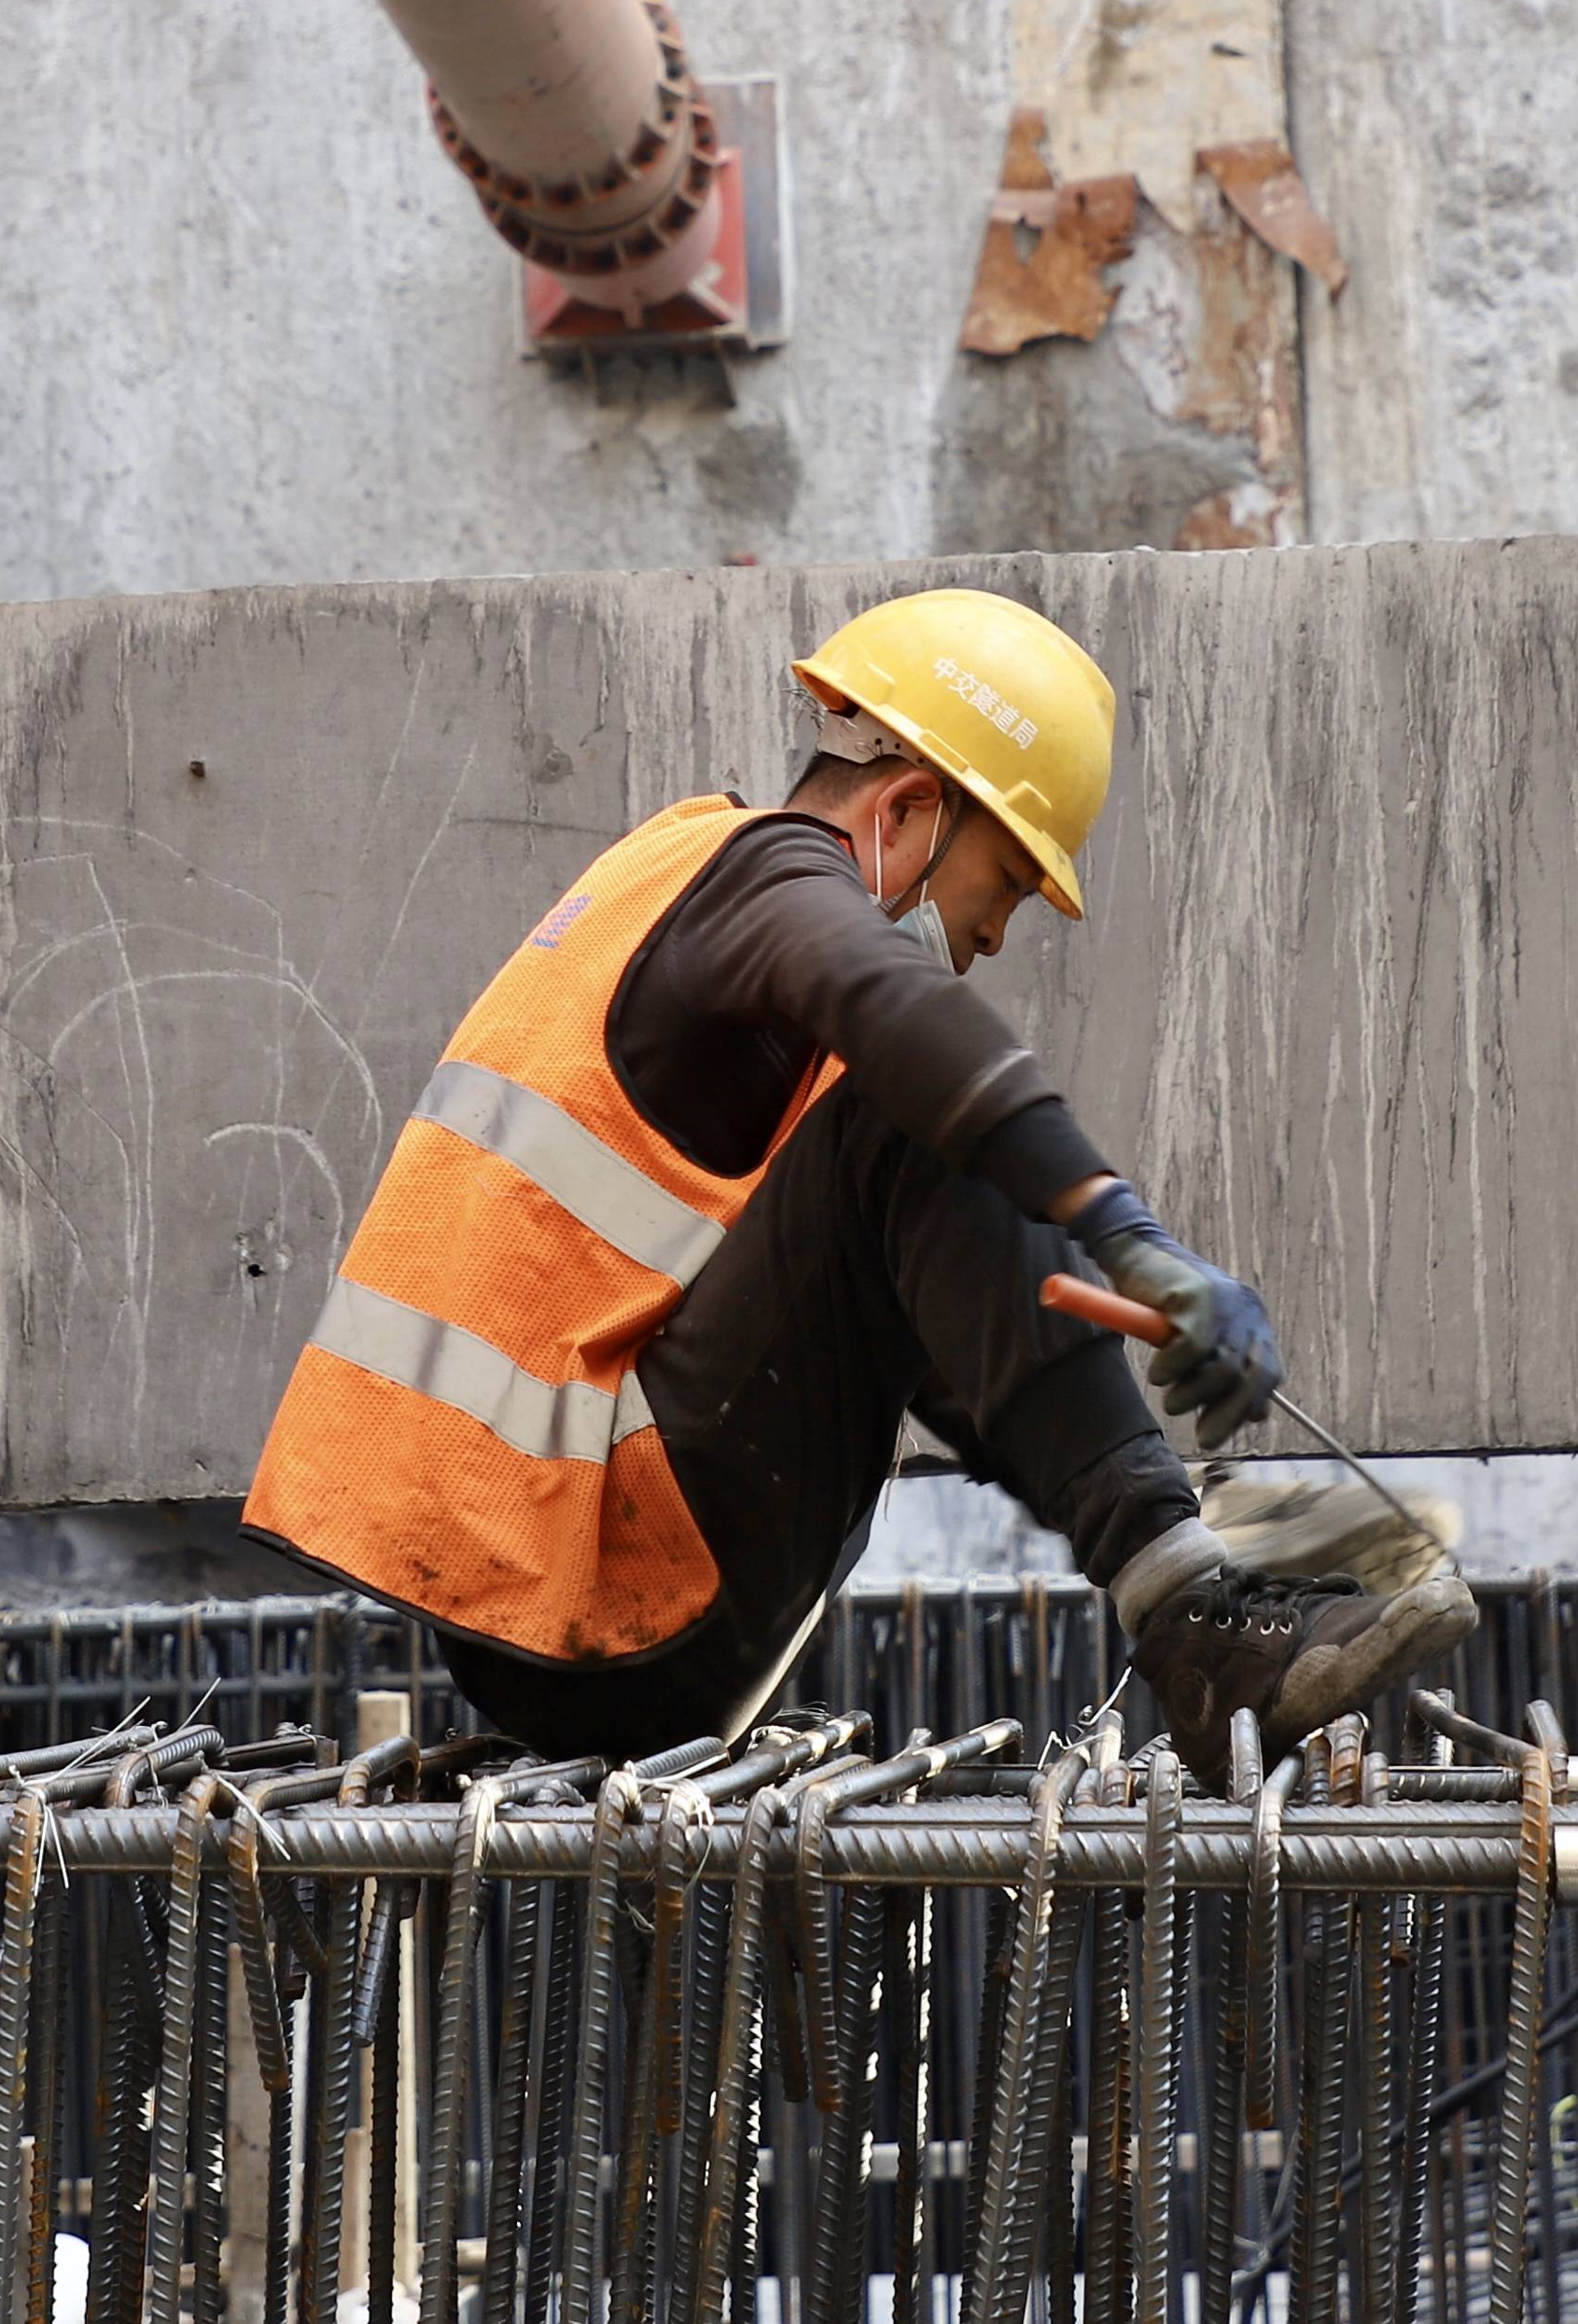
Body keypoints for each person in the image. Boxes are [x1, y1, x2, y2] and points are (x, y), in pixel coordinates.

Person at [244, 587, 1472, 1765]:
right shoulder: (760, 879)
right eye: (1000, 890)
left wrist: (1180, 1500)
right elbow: (899, 1018)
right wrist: (1120, 1228)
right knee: (914, 1102)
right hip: (597, 1590)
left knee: (915, 1138)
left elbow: (909, 1319)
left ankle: (1189, 1590)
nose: (991, 941)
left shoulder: (676, 894)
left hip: (556, 1604)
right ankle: (1195, 1633)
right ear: (905, 815)